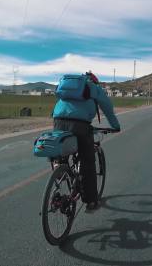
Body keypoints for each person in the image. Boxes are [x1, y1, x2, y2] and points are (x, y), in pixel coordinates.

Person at [52, 71, 120, 212]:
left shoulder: (68, 88)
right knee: (87, 162)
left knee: (61, 147)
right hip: (80, 125)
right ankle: (90, 201)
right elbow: (107, 108)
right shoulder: (94, 88)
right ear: (94, 81)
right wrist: (115, 126)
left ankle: (59, 166)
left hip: (58, 121)